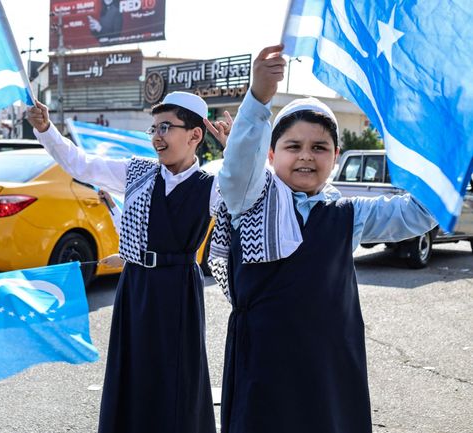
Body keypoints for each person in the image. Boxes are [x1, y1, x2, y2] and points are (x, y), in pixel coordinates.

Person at [212, 44, 437, 433]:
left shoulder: (348, 213)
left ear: (336, 156)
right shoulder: (248, 200)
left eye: (319, 148)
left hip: (329, 365)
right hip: (263, 362)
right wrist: (258, 98)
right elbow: (237, 167)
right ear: (270, 155)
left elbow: (415, 214)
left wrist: (448, 160)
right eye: (293, 146)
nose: (306, 156)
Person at [28, 92, 230, 433]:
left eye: (166, 127)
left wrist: (235, 150)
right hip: (135, 285)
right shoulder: (138, 172)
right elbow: (81, 164)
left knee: (176, 376)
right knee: (132, 371)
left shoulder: (213, 186)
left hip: (178, 288)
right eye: (154, 128)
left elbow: (252, 192)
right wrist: (46, 129)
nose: (157, 137)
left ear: (195, 135)